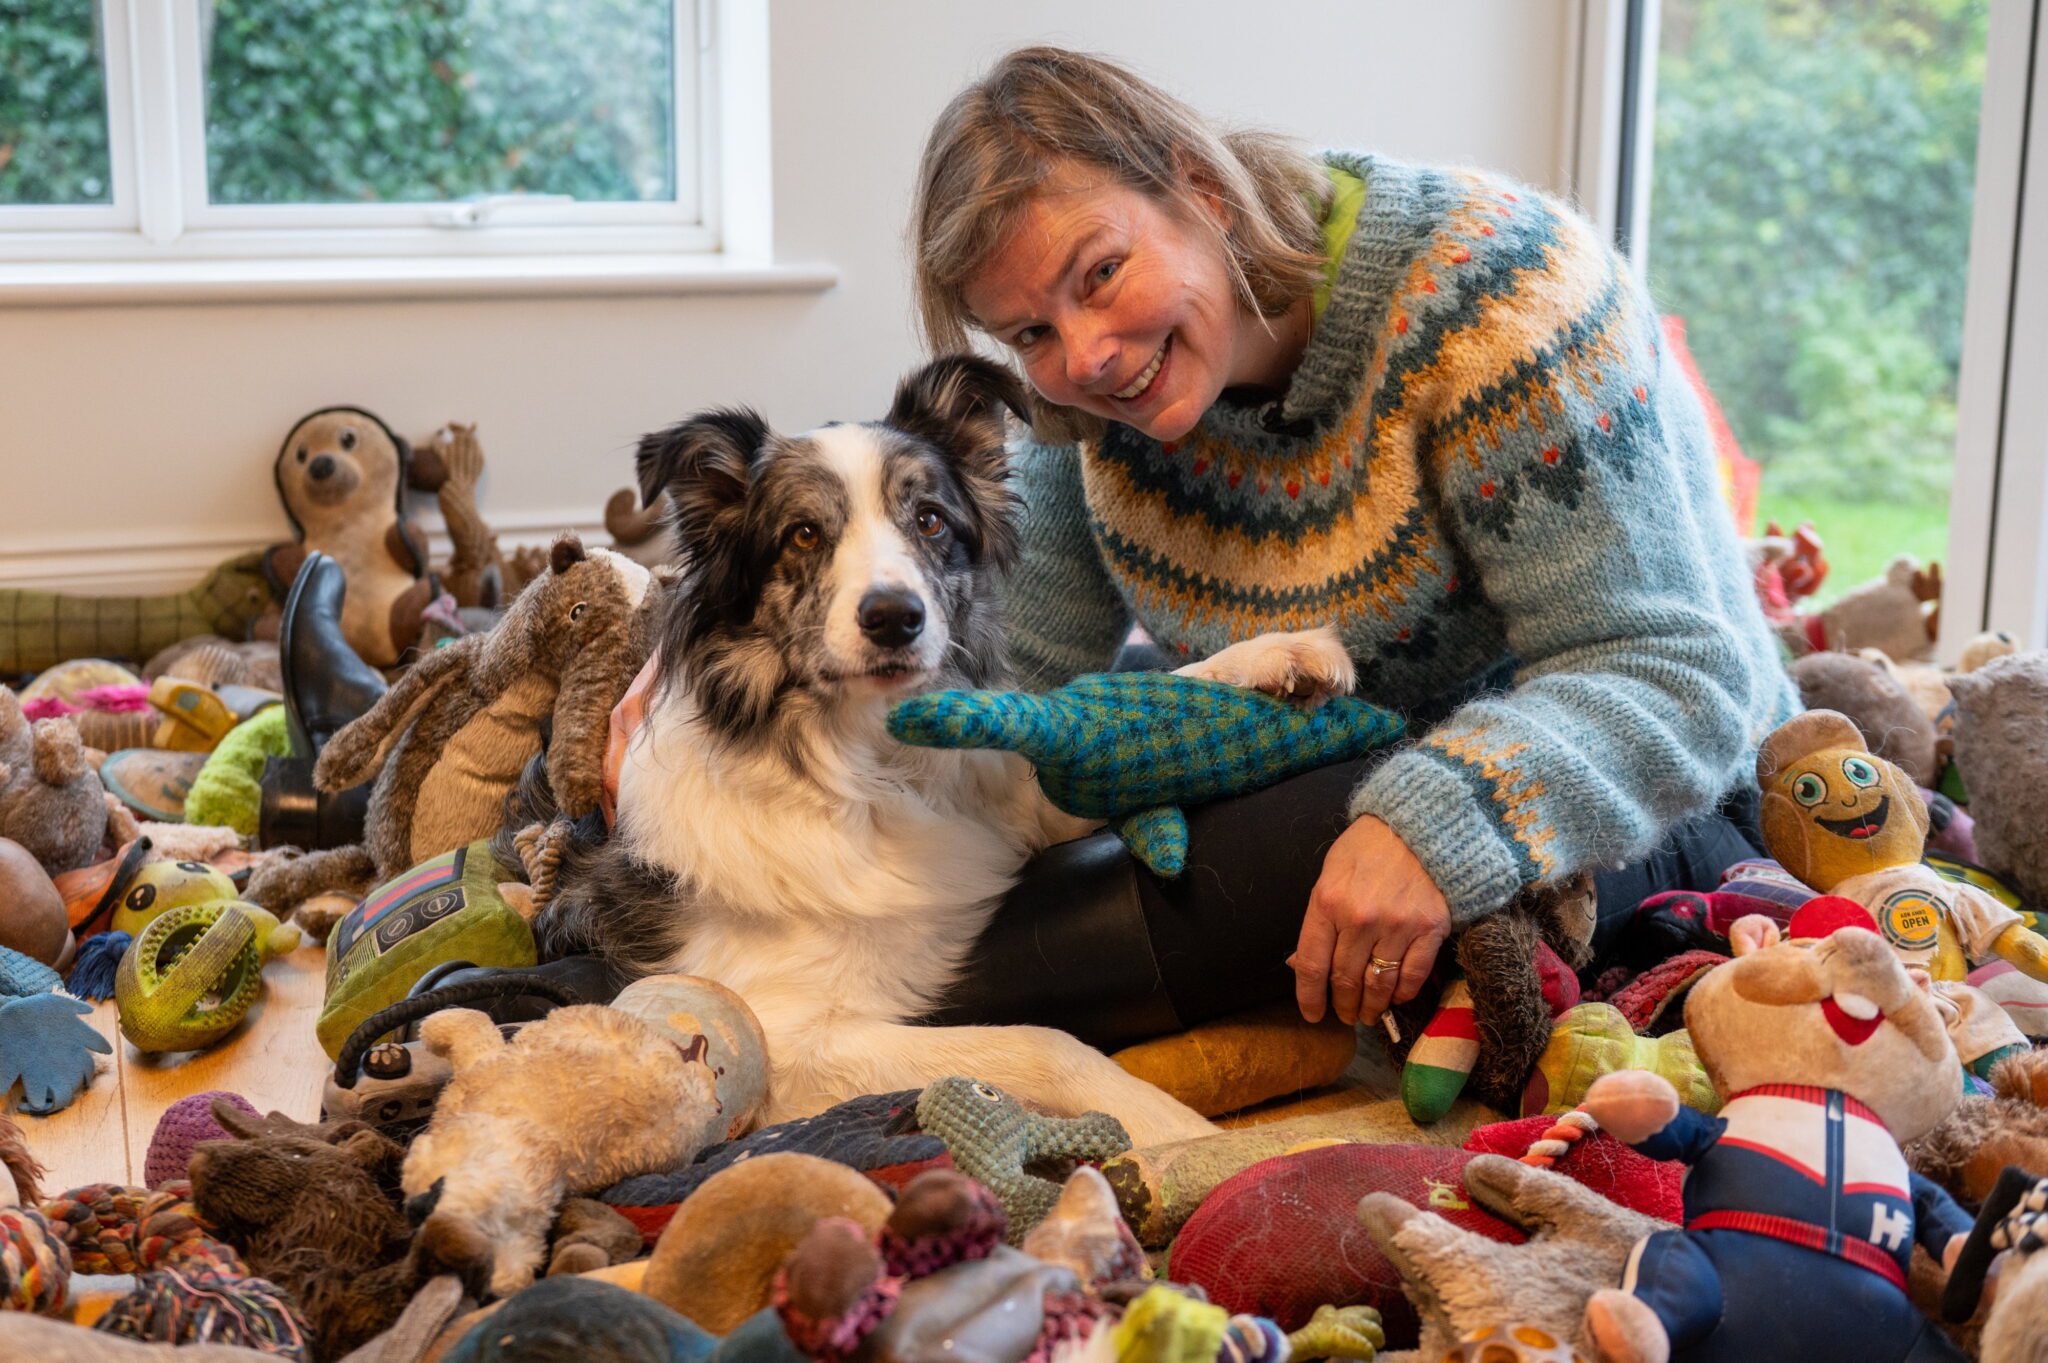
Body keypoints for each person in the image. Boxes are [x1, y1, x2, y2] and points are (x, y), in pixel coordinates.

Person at [908, 46, 1799, 1045]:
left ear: (1202, 191)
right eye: (1028, 332)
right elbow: (1009, 692)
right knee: (1083, 778)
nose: (1084, 355)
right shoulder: (1081, 404)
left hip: (1658, 797)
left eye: (1102, 273)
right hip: (1334, 770)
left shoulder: (1500, 291)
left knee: (1266, 847)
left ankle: (889, 1017)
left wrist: (1438, 816)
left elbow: (1677, 677)